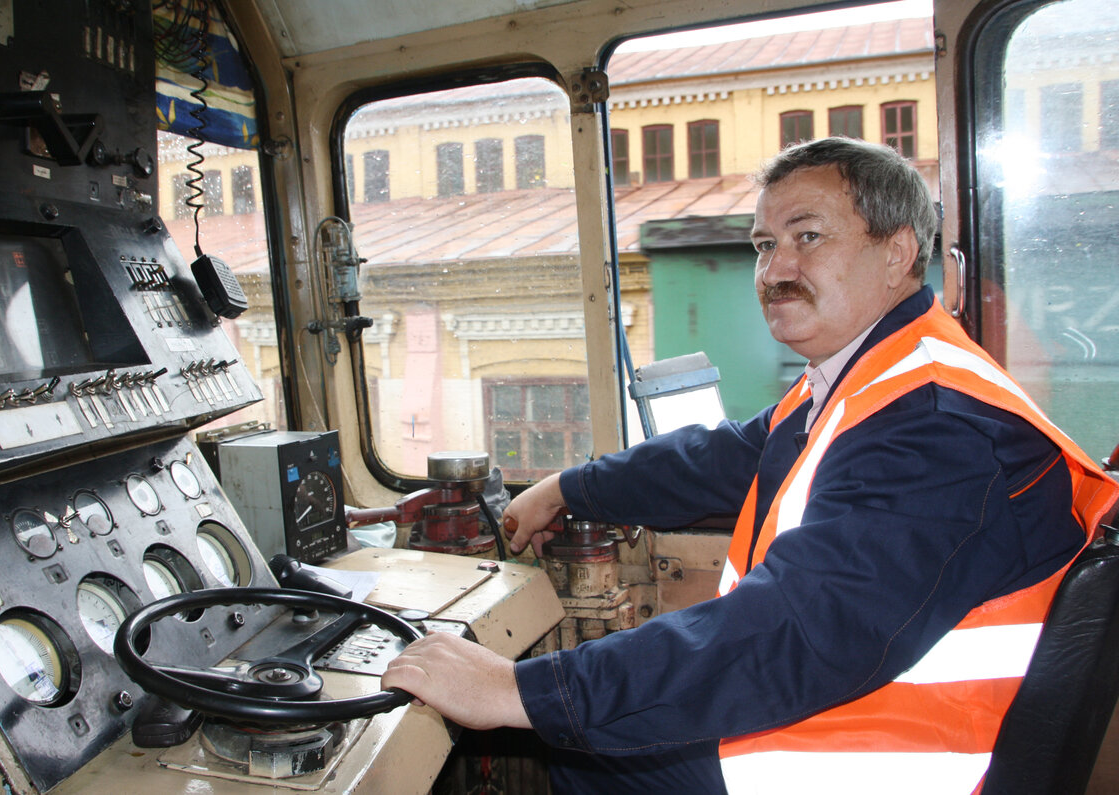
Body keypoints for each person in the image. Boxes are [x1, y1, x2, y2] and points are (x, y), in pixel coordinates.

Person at [381, 137, 1119, 794]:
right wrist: (567, 485)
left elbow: (794, 630)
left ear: (898, 253)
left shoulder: (935, 428)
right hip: (858, 713)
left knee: (586, 750)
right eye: (765, 245)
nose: (776, 268)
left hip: (893, 754)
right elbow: (723, 456)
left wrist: (521, 690)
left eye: (808, 236)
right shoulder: (872, 376)